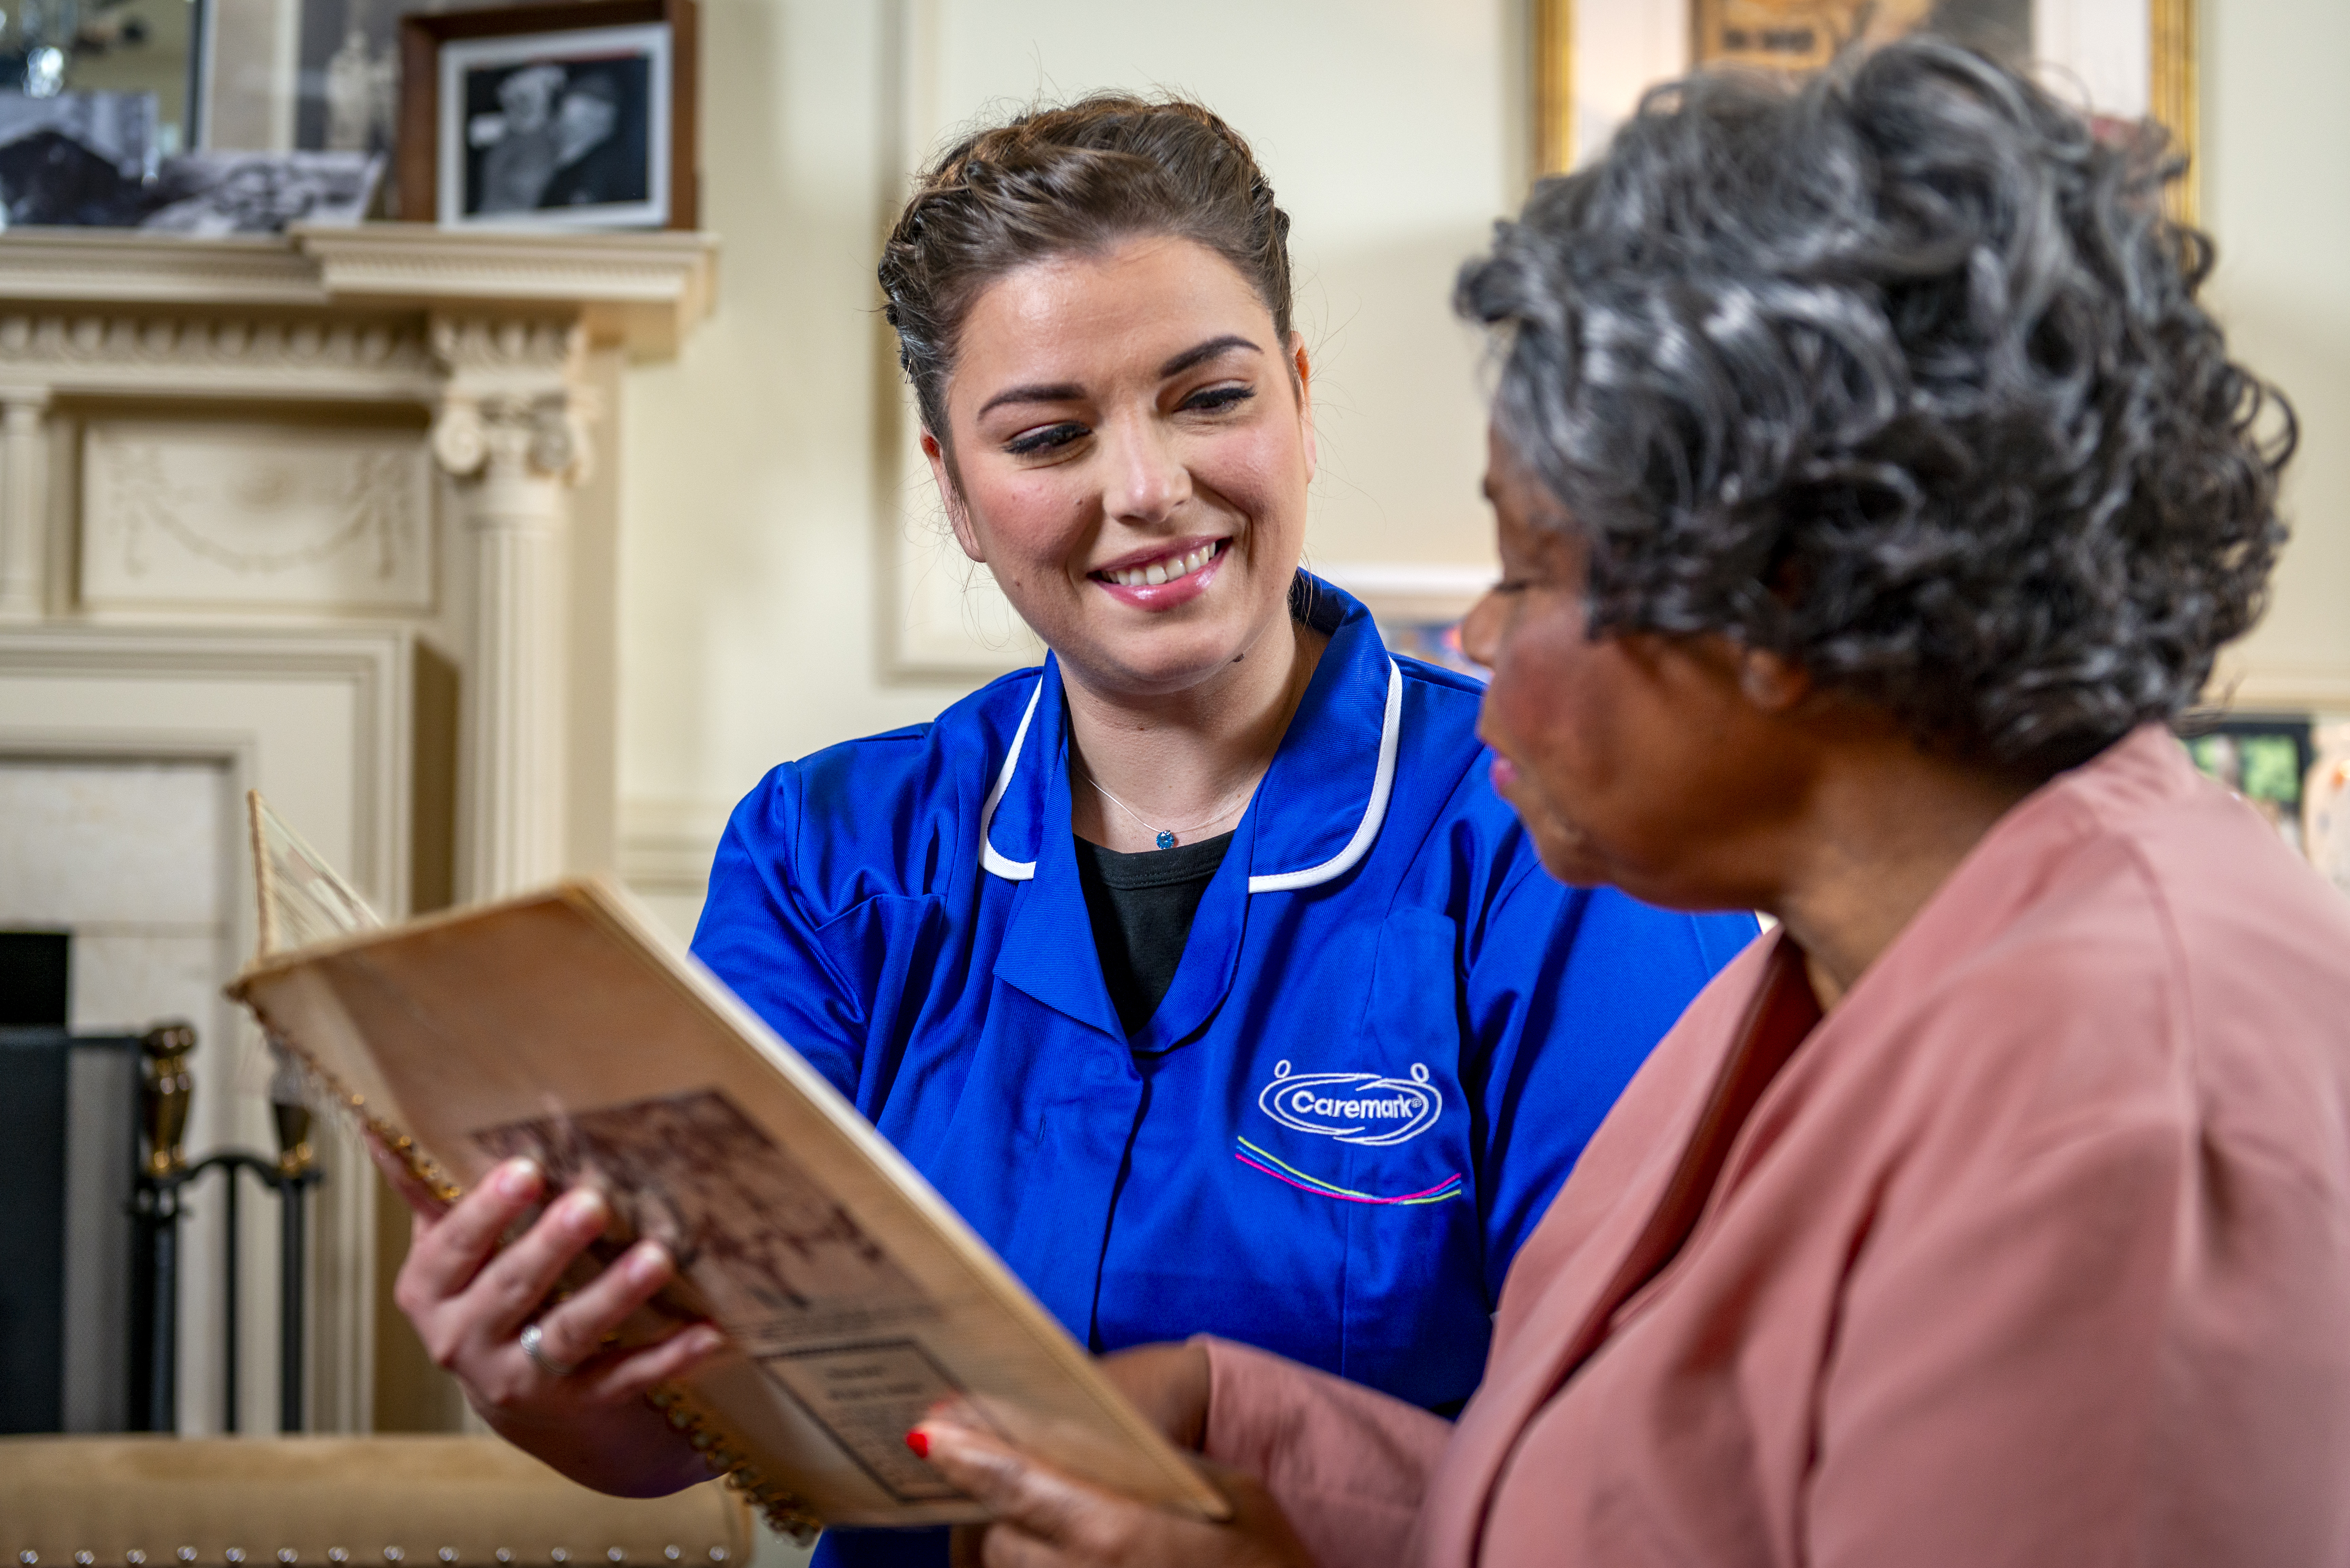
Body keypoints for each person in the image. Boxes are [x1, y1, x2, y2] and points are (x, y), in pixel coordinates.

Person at [905, 39, 2350, 1568]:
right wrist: (1247, 1427)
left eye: (1529, 568)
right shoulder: (1851, 948)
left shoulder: (2125, 1098)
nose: (1474, 637)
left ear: (1781, 598)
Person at [376, 95, 1755, 1568]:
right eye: (1046, 435)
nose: (1147, 489)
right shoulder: (825, 854)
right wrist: (535, 1370)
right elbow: (706, 1412)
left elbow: (1654, 1466)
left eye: (1210, 398)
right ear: (956, 494)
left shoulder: (1554, 832)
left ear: (1296, 396)